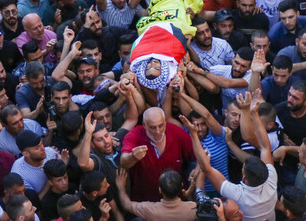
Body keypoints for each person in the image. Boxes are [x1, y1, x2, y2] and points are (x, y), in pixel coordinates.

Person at [183, 92, 277, 221]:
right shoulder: (271, 180)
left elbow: (206, 169)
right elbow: (266, 147)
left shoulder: (238, 195)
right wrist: (253, 113)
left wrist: (193, 134)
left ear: (243, 178)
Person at [120, 107, 195, 202]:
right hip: (146, 204)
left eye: (161, 126)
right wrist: (132, 156)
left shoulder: (177, 133)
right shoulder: (134, 135)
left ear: (165, 122)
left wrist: (198, 168)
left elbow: (197, 155)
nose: (158, 131)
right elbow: (123, 162)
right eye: (152, 127)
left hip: (176, 200)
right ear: (144, 125)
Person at [115, 167, 197, 221]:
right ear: (182, 186)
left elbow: (126, 205)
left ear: (160, 190)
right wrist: (188, 196)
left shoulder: (149, 209)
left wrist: (121, 187)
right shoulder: (193, 208)